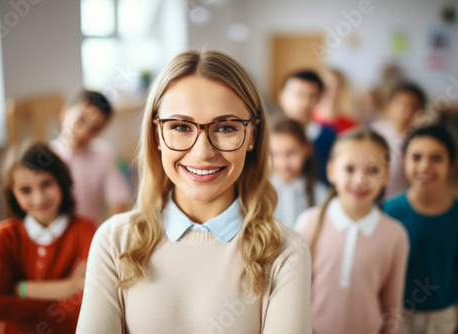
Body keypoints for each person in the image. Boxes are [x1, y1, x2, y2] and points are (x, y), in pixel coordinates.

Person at [76, 50, 312, 333]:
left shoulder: (286, 252)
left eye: (225, 127)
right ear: (157, 135)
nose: (202, 152)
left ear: (252, 135)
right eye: (180, 126)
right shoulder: (114, 241)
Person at [295, 128, 409, 334]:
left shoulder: (396, 235)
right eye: (349, 169)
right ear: (331, 172)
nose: (360, 180)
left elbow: (393, 308)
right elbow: (295, 296)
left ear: (386, 177)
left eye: (373, 171)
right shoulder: (308, 223)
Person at [0, 141, 96, 334]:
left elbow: (88, 303)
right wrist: (68, 287)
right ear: (13, 194)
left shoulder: (85, 229)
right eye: (25, 190)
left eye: (46, 183)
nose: (38, 198)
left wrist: (21, 289)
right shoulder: (5, 235)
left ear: (61, 182)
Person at [383, 125, 458, 334]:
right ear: (403, 162)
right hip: (395, 315)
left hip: (442, 317)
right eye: (416, 157)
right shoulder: (387, 211)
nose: (425, 166)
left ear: (452, 164)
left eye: (436, 158)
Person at [51, 90, 131, 225]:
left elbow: (119, 200)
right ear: (64, 114)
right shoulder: (50, 156)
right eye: (80, 120)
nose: (83, 132)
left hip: (92, 236)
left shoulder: (103, 154)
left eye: (94, 129)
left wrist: (108, 236)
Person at [278, 70, 336, 185]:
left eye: (312, 96)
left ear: (319, 99)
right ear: (282, 96)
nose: (304, 103)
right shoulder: (266, 134)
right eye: (298, 94)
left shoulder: (328, 136)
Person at [370, 82, 427, 198]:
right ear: (389, 105)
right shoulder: (374, 132)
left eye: (411, 106)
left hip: (403, 200)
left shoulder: (422, 140)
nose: (404, 110)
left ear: (420, 111)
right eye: (399, 104)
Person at [270, 116, 328, 228]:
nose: (284, 163)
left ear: (307, 149)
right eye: (275, 154)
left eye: (291, 153)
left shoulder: (321, 194)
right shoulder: (257, 193)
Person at [314, 68, 358, 134]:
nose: (333, 92)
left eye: (337, 87)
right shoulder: (308, 119)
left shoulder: (351, 125)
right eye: (327, 87)